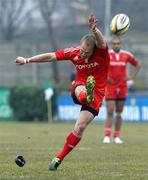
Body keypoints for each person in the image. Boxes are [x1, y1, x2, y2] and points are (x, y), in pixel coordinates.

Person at [15, 14, 110, 170]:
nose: (83, 54)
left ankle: (58, 159)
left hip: (97, 96)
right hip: (79, 87)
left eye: (87, 52)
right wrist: (27, 60)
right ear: (80, 46)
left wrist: (95, 30)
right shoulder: (75, 53)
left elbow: (100, 41)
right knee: (81, 88)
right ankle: (86, 93)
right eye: (82, 50)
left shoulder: (102, 53)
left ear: (94, 50)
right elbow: (50, 56)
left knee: (79, 127)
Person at [103, 37, 141, 144]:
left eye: (118, 43)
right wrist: (106, 77)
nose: (116, 45)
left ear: (121, 44)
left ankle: (116, 136)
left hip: (122, 86)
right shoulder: (107, 55)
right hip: (110, 86)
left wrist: (131, 77)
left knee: (119, 112)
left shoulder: (126, 55)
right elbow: (100, 67)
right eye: (114, 44)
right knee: (110, 110)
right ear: (111, 45)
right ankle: (106, 136)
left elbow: (138, 64)